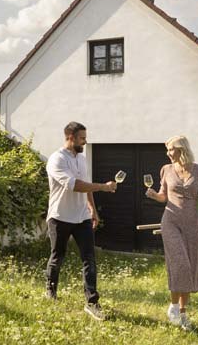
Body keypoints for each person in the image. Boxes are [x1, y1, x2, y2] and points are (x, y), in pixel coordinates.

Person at [45, 121, 117, 320]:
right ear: (70, 137)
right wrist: (103, 187)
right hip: (60, 216)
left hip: (82, 217)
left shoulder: (82, 159)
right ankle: (50, 290)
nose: (85, 141)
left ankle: (92, 302)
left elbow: (86, 187)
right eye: (82, 138)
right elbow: (75, 185)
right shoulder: (56, 160)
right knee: (57, 256)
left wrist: (92, 209)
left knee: (89, 258)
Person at [145, 135, 198, 331]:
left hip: (192, 224)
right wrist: (153, 195)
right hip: (171, 222)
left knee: (190, 266)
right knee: (180, 263)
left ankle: (182, 314)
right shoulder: (166, 169)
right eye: (167, 150)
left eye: (171, 149)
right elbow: (164, 196)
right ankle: (173, 307)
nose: (168, 153)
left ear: (181, 149)